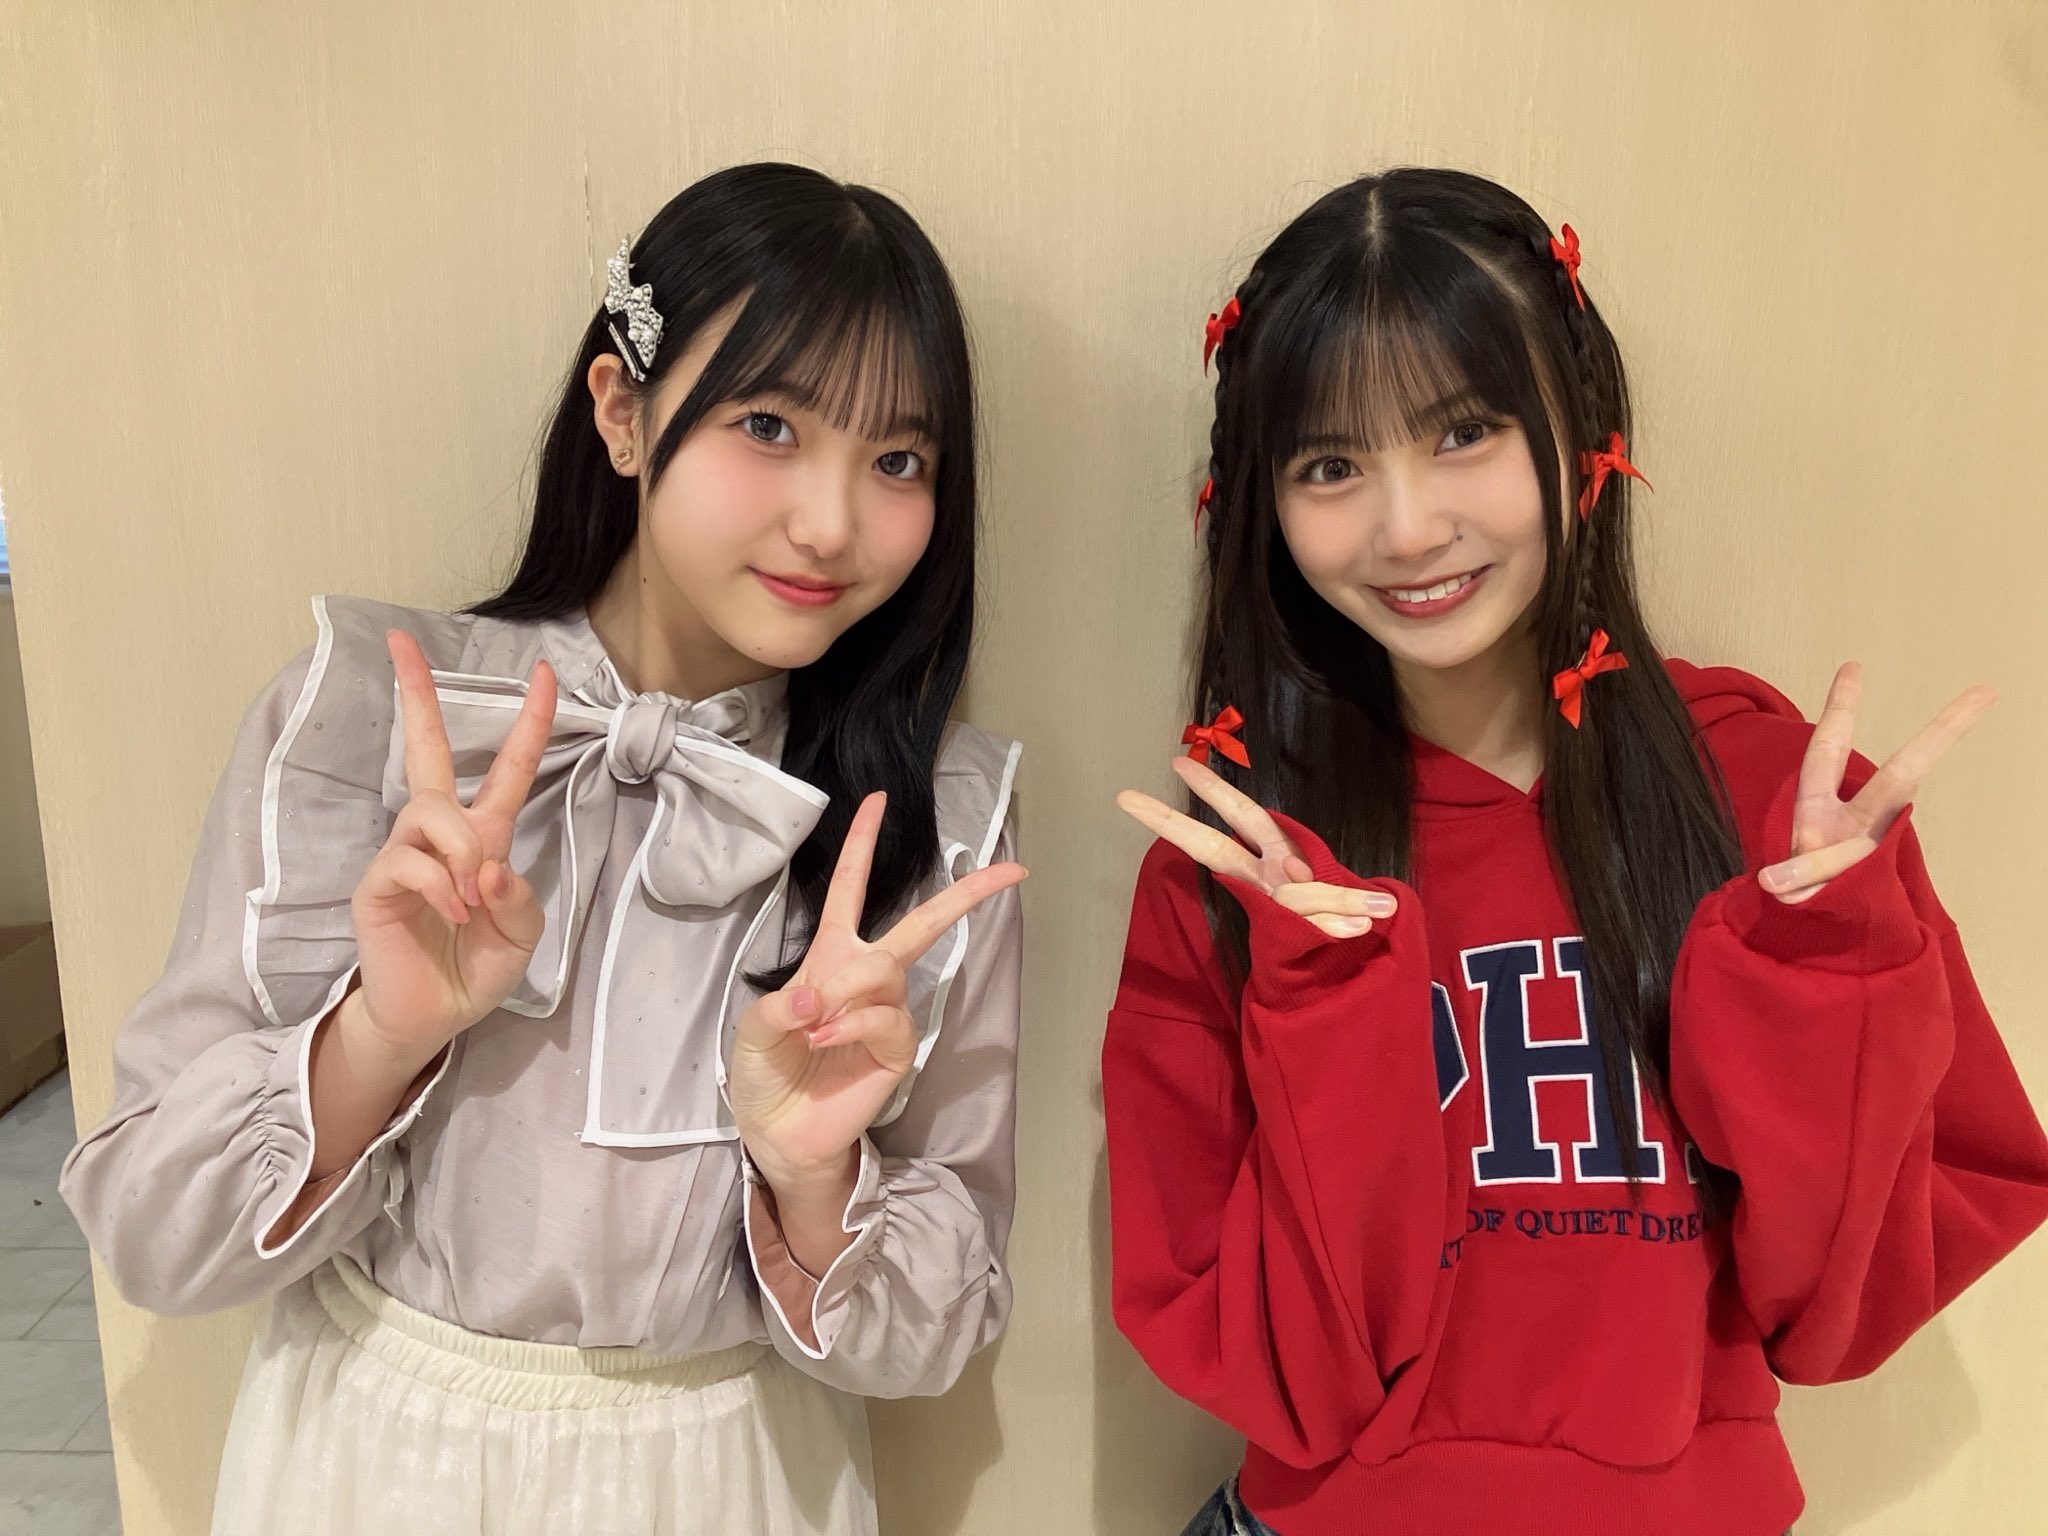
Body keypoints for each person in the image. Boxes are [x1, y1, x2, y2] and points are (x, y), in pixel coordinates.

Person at [63, 161, 1026, 1536]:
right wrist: (377, 1038)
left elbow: (935, 1342)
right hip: (370, 1468)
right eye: (767, 425)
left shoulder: (927, 825)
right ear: (622, 412)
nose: (832, 523)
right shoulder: (377, 718)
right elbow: (155, 1244)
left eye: (898, 461)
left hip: (738, 1479)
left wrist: (815, 1180)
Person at [1103, 166, 2048, 1536]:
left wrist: (1824, 973)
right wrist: (1320, 1001)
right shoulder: (1245, 867)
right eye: (1330, 466)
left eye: (1464, 433)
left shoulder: (1770, 802)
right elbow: (1270, 1372)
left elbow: (1840, 1314)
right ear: (1263, 501)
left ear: (1582, 427)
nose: (1407, 527)